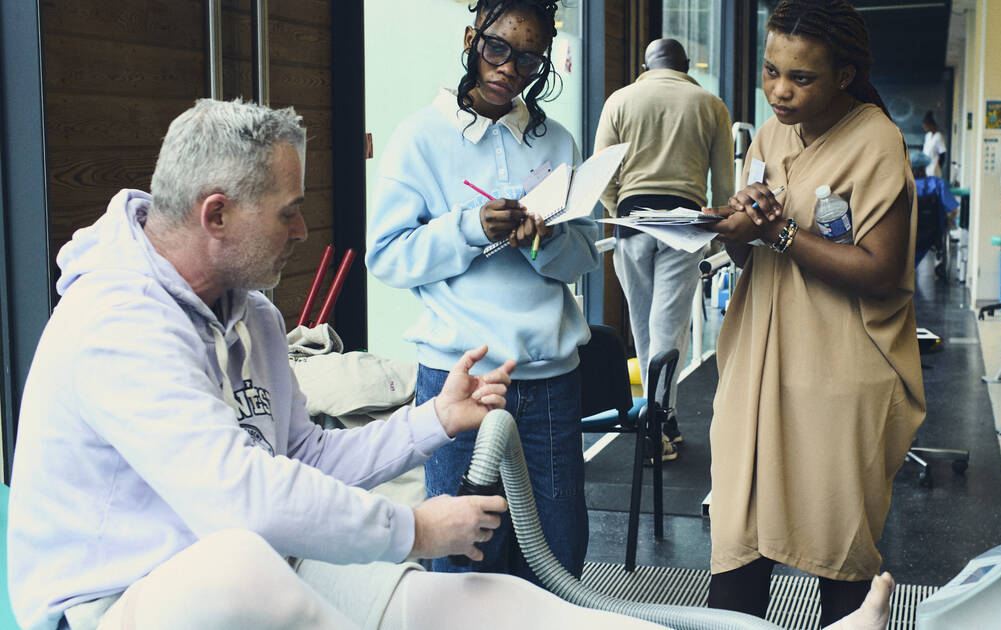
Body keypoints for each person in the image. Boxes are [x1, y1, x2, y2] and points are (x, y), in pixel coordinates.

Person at [8, 97, 667, 630]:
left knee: (478, 605)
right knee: (239, 563)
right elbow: (242, 501)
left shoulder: (255, 317)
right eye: (288, 213)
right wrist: (411, 529)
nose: (301, 232)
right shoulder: (115, 322)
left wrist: (434, 419)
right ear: (217, 214)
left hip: (267, 574)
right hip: (115, 604)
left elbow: (304, 459)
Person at [700, 1, 924, 627]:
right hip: (757, 364)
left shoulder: (877, 140)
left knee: (837, 552)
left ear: (844, 76)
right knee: (736, 540)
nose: (780, 90)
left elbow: (880, 271)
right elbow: (746, 253)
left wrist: (783, 235)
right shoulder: (770, 135)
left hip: (836, 370)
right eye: (771, 71)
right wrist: (735, 223)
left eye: (801, 78)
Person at [365, 0, 599, 583]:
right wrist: (469, 227)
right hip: (457, 377)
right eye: (498, 49)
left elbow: (584, 257)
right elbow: (387, 256)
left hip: (548, 380)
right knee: (459, 560)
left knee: (557, 561)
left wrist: (540, 242)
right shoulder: (419, 137)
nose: (509, 70)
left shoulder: (558, 143)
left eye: (529, 60)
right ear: (472, 39)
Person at [594, 38, 735, 460]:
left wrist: (620, 205)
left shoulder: (620, 100)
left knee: (644, 326)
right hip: (685, 223)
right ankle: (660, 419)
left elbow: (601, 173)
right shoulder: (710, 104)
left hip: (633, 221)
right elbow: (725, 185)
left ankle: (658, 419)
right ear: (687, 65)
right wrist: (719, 233)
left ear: (644, 65)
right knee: (669, 326)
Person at [911, 151, 959, 270]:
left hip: (907, 235)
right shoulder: (937, 184)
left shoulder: (903, 185)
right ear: (925, 166)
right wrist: (948, 220)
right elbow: (953, 210)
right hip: (933, 235)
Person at [921, 111, 947, 178]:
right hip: (925, 168)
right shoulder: (927, 136)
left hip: (934, 168)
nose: (924, 128)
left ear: (931, 125)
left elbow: (942, 154)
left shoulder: (938, 136)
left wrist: (938, 167)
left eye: (926, 126)